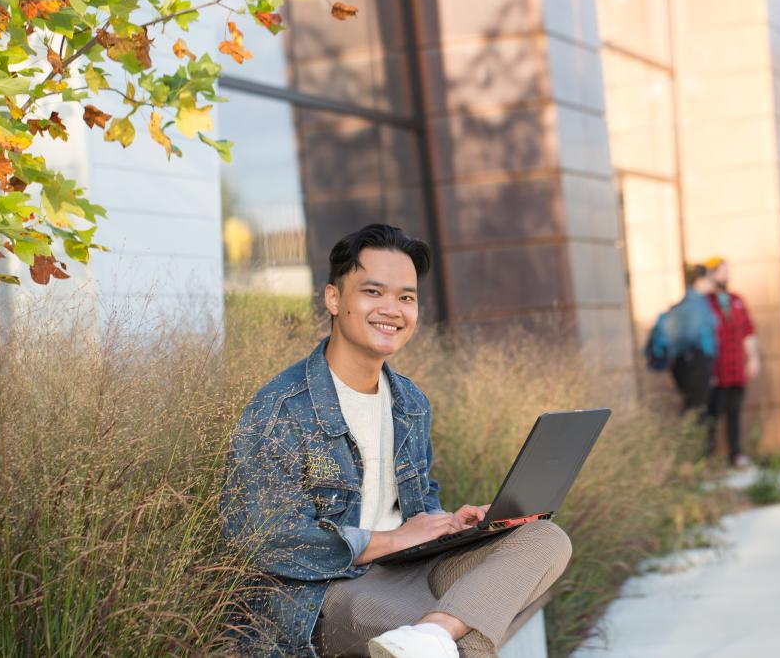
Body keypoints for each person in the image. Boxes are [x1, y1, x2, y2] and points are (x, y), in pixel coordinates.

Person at [221, 224, 572, 658]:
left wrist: (447, 524)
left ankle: (431, 633)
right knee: (469, 636)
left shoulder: (409, 401)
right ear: (334, 299)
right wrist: (390, 540)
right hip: (332, 591)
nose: (393, 309)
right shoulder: (282, 409)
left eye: (406, 297)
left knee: (546, 539)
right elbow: (265, 537)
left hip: (412, 565)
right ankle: (438, 633)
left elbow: (419, 497)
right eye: (373, 292)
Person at [704, 257, 759, 468]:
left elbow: (748, 331)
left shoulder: (737, 300)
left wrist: (753, 358)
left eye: (727, 271)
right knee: (712, 414)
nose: (725, 276)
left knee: (734, 412)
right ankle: (708, 457)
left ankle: (735, 454)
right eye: (720, 271)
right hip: (717, 371)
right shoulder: (706, 302)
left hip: (736, 368)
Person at [666, 264, 718, 413]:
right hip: (696, 362)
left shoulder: (690, 303)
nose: (712, 283)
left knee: (692, 407)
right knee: (697, 411)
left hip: (687, 362)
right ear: (699, 280)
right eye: (709, 279)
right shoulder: (695, 305)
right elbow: (694, 335)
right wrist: (707, 362)